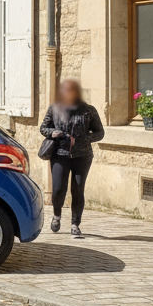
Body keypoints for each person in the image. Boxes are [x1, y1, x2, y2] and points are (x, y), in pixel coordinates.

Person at [40, 79, 104, 237]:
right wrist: (53, 133)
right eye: (65, 90)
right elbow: (44, 127)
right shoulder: (55, 109)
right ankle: (56, 215)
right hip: (59, 155)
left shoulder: (89, 111)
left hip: (82, 156)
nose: (69, 93)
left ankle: (75, 224)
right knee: (58, 189)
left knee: (78, 190)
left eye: (72, 90)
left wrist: (83, 138)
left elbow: (100, 133)